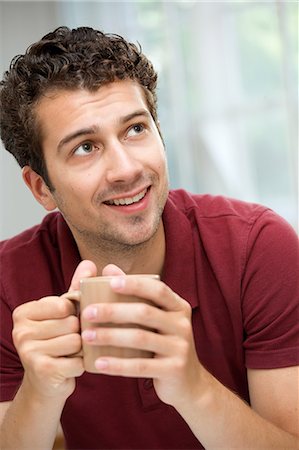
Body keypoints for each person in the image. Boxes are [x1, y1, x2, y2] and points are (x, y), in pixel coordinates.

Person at [0, 26, 298, 450]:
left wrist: (194, 388)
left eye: (135, 129)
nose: (126, 169)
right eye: (85, 147)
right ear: (40, 188)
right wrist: (40, 393)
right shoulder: (8, 285)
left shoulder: (258, 247)